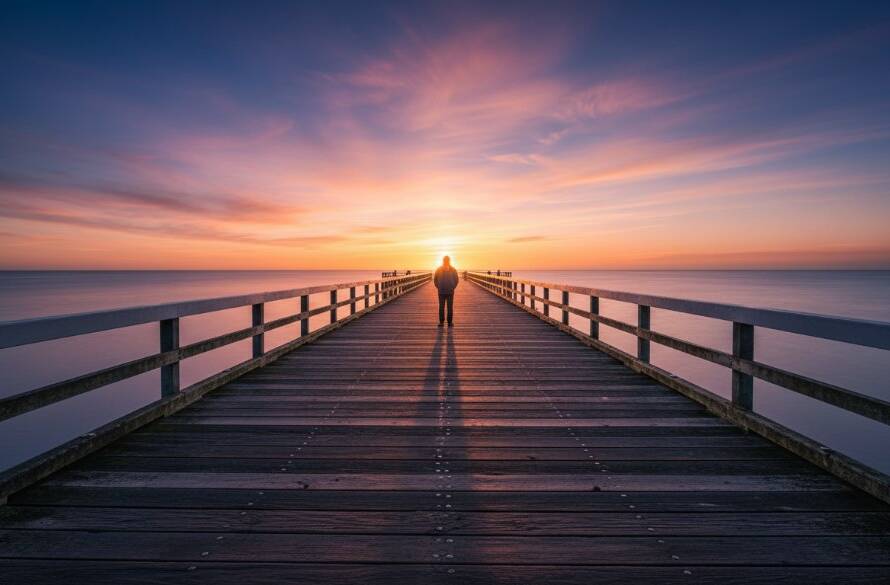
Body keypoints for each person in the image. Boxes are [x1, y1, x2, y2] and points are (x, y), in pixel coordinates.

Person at [433, 255, 459, 326]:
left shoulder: (452, 269)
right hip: (443, 291)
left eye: (447, 260)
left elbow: (456, 280)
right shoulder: (439, 269)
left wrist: (453, 287)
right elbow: (435, 280)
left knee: (447, 307)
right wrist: (438, 287)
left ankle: (446, 322)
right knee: (444, 307)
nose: (446, 261)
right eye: (445, 260)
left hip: (448, 291)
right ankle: (445, 322)